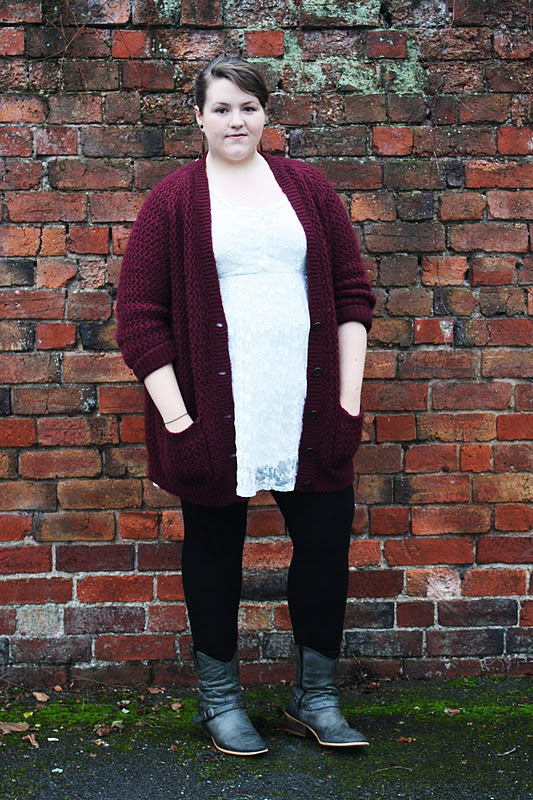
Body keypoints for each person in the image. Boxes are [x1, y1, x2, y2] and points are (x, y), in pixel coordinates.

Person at [116, 54, 376, 757]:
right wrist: (179, 421)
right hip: (211, 414)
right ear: (198, 118)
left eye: (249, 108)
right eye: (222, 108)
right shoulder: (173, 201)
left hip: (308, 407)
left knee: (323, 545)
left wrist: (347, 398)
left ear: (265, 115)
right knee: (214, 552)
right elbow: (139, 320)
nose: (237, 121)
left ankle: (315, 700)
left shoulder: (308, 188)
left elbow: (352, 295)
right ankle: (221, 703)